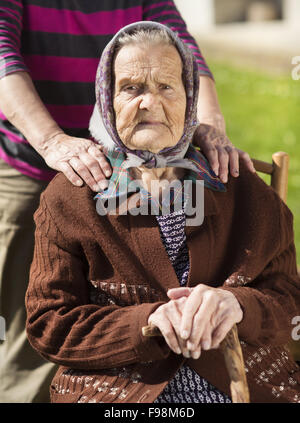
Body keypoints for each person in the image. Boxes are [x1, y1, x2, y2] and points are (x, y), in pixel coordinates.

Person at [25, 22, 300, 403]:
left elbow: (290, 304)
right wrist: (148, 322)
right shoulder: (72, 196)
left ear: (190, 98)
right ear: (107, 99)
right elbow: (49, 325)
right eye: (131, 88)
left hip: (242, 382)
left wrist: (237, 305)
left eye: (166, 87)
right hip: (119, 391)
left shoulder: (241, 187)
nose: (148, 103)